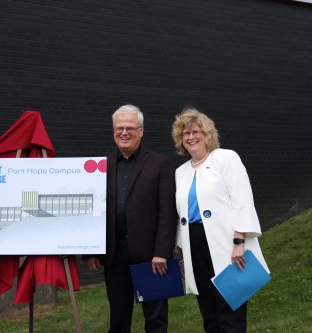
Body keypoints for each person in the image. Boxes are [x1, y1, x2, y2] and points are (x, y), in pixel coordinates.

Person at [171, 107, 269, 333]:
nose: (191, 137)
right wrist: (184, 255)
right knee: (208, 313)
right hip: (194, 245)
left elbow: (242, 199)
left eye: (196, 132)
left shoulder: (226, 158)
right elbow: (181, 216)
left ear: (207, 135)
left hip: (226, 243)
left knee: (230, 310)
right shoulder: (181, 172)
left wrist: (239, 241)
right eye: (185, 133)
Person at [84, 104, 177, 333]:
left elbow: (167, 211)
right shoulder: (101, 166)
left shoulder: (160, 163)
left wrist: (162, 252)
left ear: (141, 131)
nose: (124, 132)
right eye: (119, 128)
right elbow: (94, 210)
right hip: (115, 255)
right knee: (118, 318)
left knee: (155, 319)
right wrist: (91, 251)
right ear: (113, 131)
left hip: (151, 256)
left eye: (130, 128)